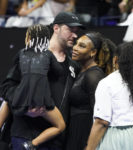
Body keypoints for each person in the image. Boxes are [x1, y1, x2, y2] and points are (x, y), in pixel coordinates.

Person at [0, 11, 84, 150]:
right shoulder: (28, 55)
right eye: (70, 29)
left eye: (77, 31)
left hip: (56, 139)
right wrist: (25, 105)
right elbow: (7, 87)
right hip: (26, 134)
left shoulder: (74, 66)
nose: (75, 35)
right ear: (56, 28)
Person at [85, 42, 133, 150]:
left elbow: (102, 122)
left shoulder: (107, 83)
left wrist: (89, 148)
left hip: (118, 137)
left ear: (115, 60)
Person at [64, 31, 105, 150]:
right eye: (76, 44)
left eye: (82, 46)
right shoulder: (81, 71)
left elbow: (98, 113)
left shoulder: (94, 75)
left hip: (84, 134)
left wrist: (90, 145)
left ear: (93, 52)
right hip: (75, 131)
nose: (75, 48)